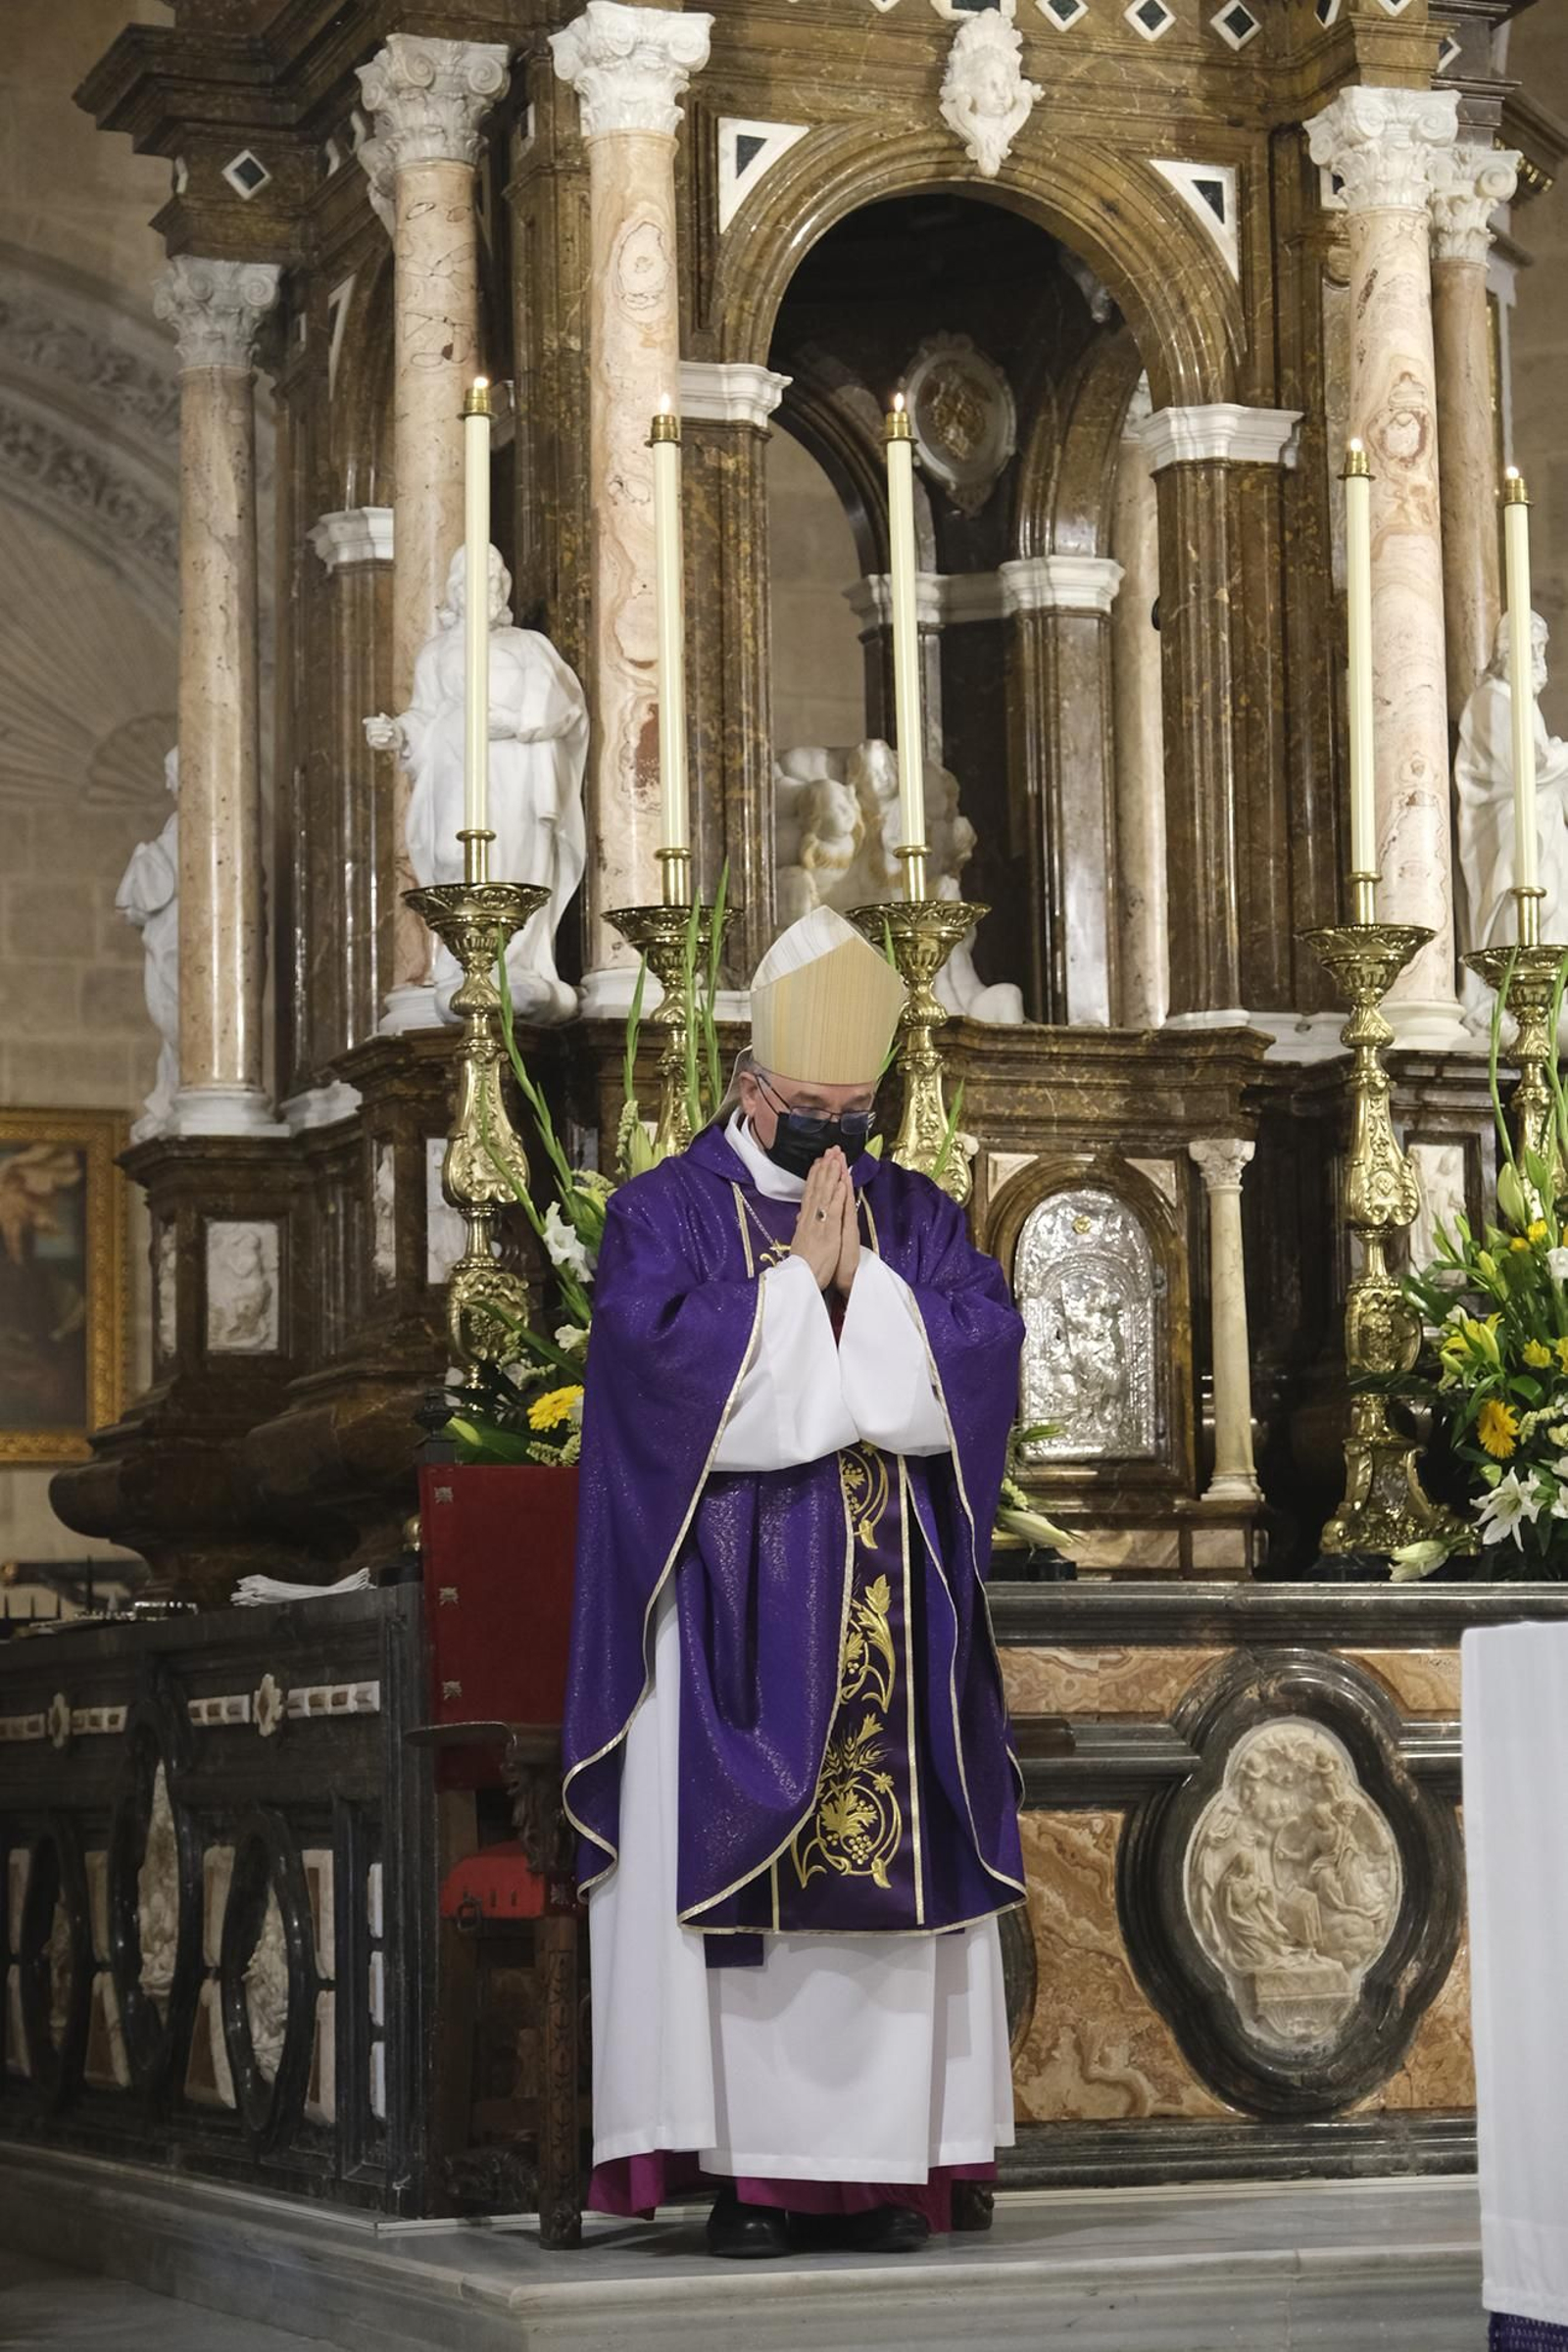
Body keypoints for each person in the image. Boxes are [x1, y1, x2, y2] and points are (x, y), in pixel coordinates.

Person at [564, 905, 1027, 2259]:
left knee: (895, 1888)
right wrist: (794, 1297)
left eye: (855, 1113)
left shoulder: (918, 1213)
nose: (837, 1141)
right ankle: (746, 2173)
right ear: (748, 1088)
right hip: (720, 1621)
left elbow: (982, 1354)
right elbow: (651, 1383)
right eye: (811, 1112)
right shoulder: (661, 1214)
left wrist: (861, 1287)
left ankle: (888, 2175)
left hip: (898, 1602)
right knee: (729, 1902)